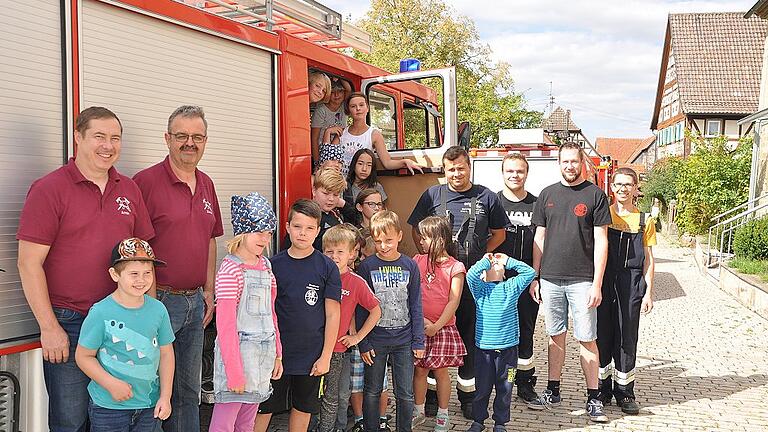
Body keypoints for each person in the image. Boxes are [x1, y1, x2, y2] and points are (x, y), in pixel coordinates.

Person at [17, 106, 155, 432]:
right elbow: (28, 262)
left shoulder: (129, 189)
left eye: (115, 138)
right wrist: (49, 327)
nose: (108, 146)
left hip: (122, 323)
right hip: (71, 323)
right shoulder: (50, 189)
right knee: (71, 420)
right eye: (99, 137)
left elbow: (144, 256)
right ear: (78, 137)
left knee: (115, 416)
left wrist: (148, 312)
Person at [133, 105, 224, 431]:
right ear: (167, 138)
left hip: (194, 303)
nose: (190, 143)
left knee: (188, 389)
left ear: (205, 141)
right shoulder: (144, 182)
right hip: (159, 303)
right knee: (151, 387)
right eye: (182, 136)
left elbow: (211, 239)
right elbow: (135, 248)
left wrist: (209, 291)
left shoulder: (206, 184)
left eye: (197, 137)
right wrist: (149, 303)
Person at [407, 146, 508, 418]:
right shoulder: (432, 195)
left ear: (469, 167)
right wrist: (429, 257)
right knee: (429, 339)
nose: (456, 174)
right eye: (450, 169)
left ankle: (468, 397)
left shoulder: (486, 196)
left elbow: (498, 234)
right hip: (437, 285)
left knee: (470, 339)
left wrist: (479, 256)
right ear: (444, 170)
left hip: (473, 283)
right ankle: (429, 398)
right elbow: (416, 229)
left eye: (461, 168)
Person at [527, 142, 612, 423]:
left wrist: (597, 283)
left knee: (587, 338)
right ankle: (553, 391)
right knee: (555, 337)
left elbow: (602, 242)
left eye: (574, 161)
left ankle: (593, 397)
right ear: (559, 163)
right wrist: (535, 276)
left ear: (582, 163)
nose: (570, 166)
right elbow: (539, 239)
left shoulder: (595, 195)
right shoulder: (547, 195)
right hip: (550, 279)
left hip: (582, 281)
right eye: (565, 162)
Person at [254, 199, 341, 432]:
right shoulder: (272, 266)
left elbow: (333, 315)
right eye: (298, 226)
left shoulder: (327, 267)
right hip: (275, 356)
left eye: (310, 228)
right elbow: (263, 312)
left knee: (303, 409)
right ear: (287, 227)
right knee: (264, 407)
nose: (303, 233)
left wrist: (325, 357)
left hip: (311, 357)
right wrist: (267, 353)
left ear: (318, 231)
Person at [75, 238, 174, 432]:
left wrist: (165, 396)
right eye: (134, 274)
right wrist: (110, 383)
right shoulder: (100, 312)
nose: (142, 280)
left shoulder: (158, 310)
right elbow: (83, 356)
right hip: (108, 408)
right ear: (114, 274)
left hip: (148, 406)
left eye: (147, 273)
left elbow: (166, 354)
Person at [209, 193, 283, 431]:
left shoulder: (266, 265)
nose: (265, 238)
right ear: (242, 231)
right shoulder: (230, 270)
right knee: (224, 423)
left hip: (261, 358)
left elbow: (271, 314)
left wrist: (277, 354)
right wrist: (234, 372)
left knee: (246, 423)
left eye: (269, 232)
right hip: (237, 361)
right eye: (259, 231)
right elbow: (226, 325)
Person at [356, 210, 425, 432]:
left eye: (388, 240)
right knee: (373, 390)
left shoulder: (410, 266)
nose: (384, 246)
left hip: (404, 341)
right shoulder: (366, 267)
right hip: (375, 340)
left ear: (399, 236)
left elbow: (415, 304)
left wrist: (418, 341)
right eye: (378, 242)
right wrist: (363, 343)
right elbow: (361, 309)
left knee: (405, 393)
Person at [597, 167, 656, 415]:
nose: (623, 189)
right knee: (602, 335)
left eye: (628, 185)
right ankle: (602, 389)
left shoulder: (645, 220)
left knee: (626, 336)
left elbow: (649, 260)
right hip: (605, 279)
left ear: (635, 188)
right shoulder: (603, 215)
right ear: (612, 187)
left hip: (630, 282)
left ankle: (625, 392)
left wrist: (648, 292)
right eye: (618, 184)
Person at [317, 225, 382, 432]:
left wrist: (357, 337)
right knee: (314, 394)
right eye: (329, 251)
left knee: (337, 394)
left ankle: (337, 427)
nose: (334, 256)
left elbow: (376, 310)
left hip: (338, 349)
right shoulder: (317, 276)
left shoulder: (355, 282)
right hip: (313, 346)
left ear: (352, 254)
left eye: (340, 252)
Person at [465, 252, 535, 432]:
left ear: (505, 273)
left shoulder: (511, 286)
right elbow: (471, 274)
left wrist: (508, 261)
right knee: (482, 389)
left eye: (498, 264)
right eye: (492, 264)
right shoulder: (479, 289)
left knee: (505, 388)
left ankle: (500, 423)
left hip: (508, 352)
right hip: (484, 351)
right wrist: (484, 262)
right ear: (484, 274)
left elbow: (529, 272)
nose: (495, 264)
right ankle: (478, 420)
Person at [412, 217, 467, 432]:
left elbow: (454, 300)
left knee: (441, 372)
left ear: (440, 239)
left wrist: (436, 326)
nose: (421, 242)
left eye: (425, 238)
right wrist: (421, 321)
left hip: (443, 327)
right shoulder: (417, 260)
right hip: (419, 327)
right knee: (419, 371)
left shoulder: (456, 266)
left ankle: (443, 414)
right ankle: (418, 410)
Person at [494, 153, 540, 402]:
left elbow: (542, 244)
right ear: (503, 173)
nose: (514, 175)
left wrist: (535, 277)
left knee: (526, 331)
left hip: (526, 281)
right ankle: (500, 381)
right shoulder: (492, 202)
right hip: (498, 282)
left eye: (519, 171)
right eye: (510, 171)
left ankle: (524, 382)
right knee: (497, 332)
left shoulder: (537, 204)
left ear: (526, 174)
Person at [322, 92, 423, 177]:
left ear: (367, 108)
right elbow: (327, 160)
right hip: (340, 183)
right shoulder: (342, 133)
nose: (358, 109)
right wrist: (327, 133)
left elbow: (387, 163)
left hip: (360, 184)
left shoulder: (374, 134)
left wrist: (405, 162)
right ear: (348, 111)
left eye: (361, 105)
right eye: (353, 106)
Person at [342, 149, 388, 224]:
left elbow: (384, 212)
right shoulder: (345, 186)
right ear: (354, 165)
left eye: (369, 165)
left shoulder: (376, 186)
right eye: (360, 164)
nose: (364, 169)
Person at [311, 79, 352, 162]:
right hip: (323, 154)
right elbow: (314, 139)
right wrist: (317, 163)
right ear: (327, 94)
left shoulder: (344, 107)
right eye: (332, 92)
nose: (336, 95)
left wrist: (339, 75)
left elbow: (349, 89)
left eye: (340, 91)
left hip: (339, 153)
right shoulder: (321, 110)